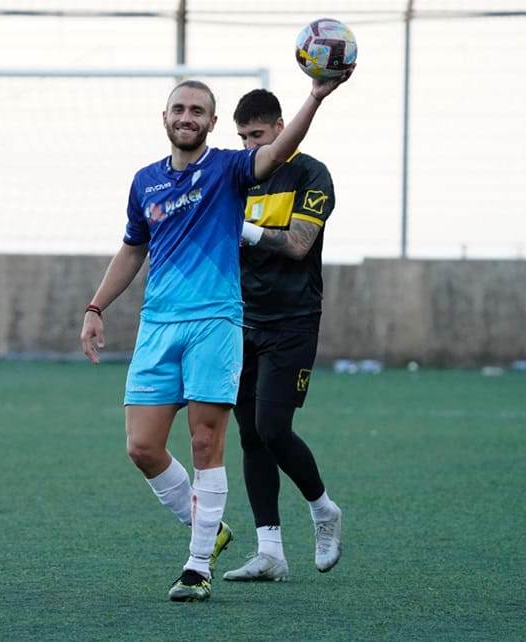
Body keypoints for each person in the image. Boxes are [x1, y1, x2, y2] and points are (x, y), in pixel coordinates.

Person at [80, 72, 353, 602]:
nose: (187, 117)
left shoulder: (231, 168)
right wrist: (96, 306)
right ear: (165, 118)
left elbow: (277, 161)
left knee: (217, 441)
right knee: (142, 447)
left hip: (225, 323)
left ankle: (198, 565)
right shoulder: (145, 181)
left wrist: (315, 96)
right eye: (178, 108)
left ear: (209, 122)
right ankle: (222, 531)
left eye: (197, 111)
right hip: (160, 326)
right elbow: (133, 247)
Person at [222, 89, 342, 583]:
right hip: (239, 319)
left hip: (292, 319)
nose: (251, 145)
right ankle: (270, 550)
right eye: (243, 137)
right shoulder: (237, 177)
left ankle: (323, 509)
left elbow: (297, 244)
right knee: (250, 435)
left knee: (272, 428)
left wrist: (244, 231)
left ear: (279, 128)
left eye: (258, 135)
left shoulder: (312, 174)